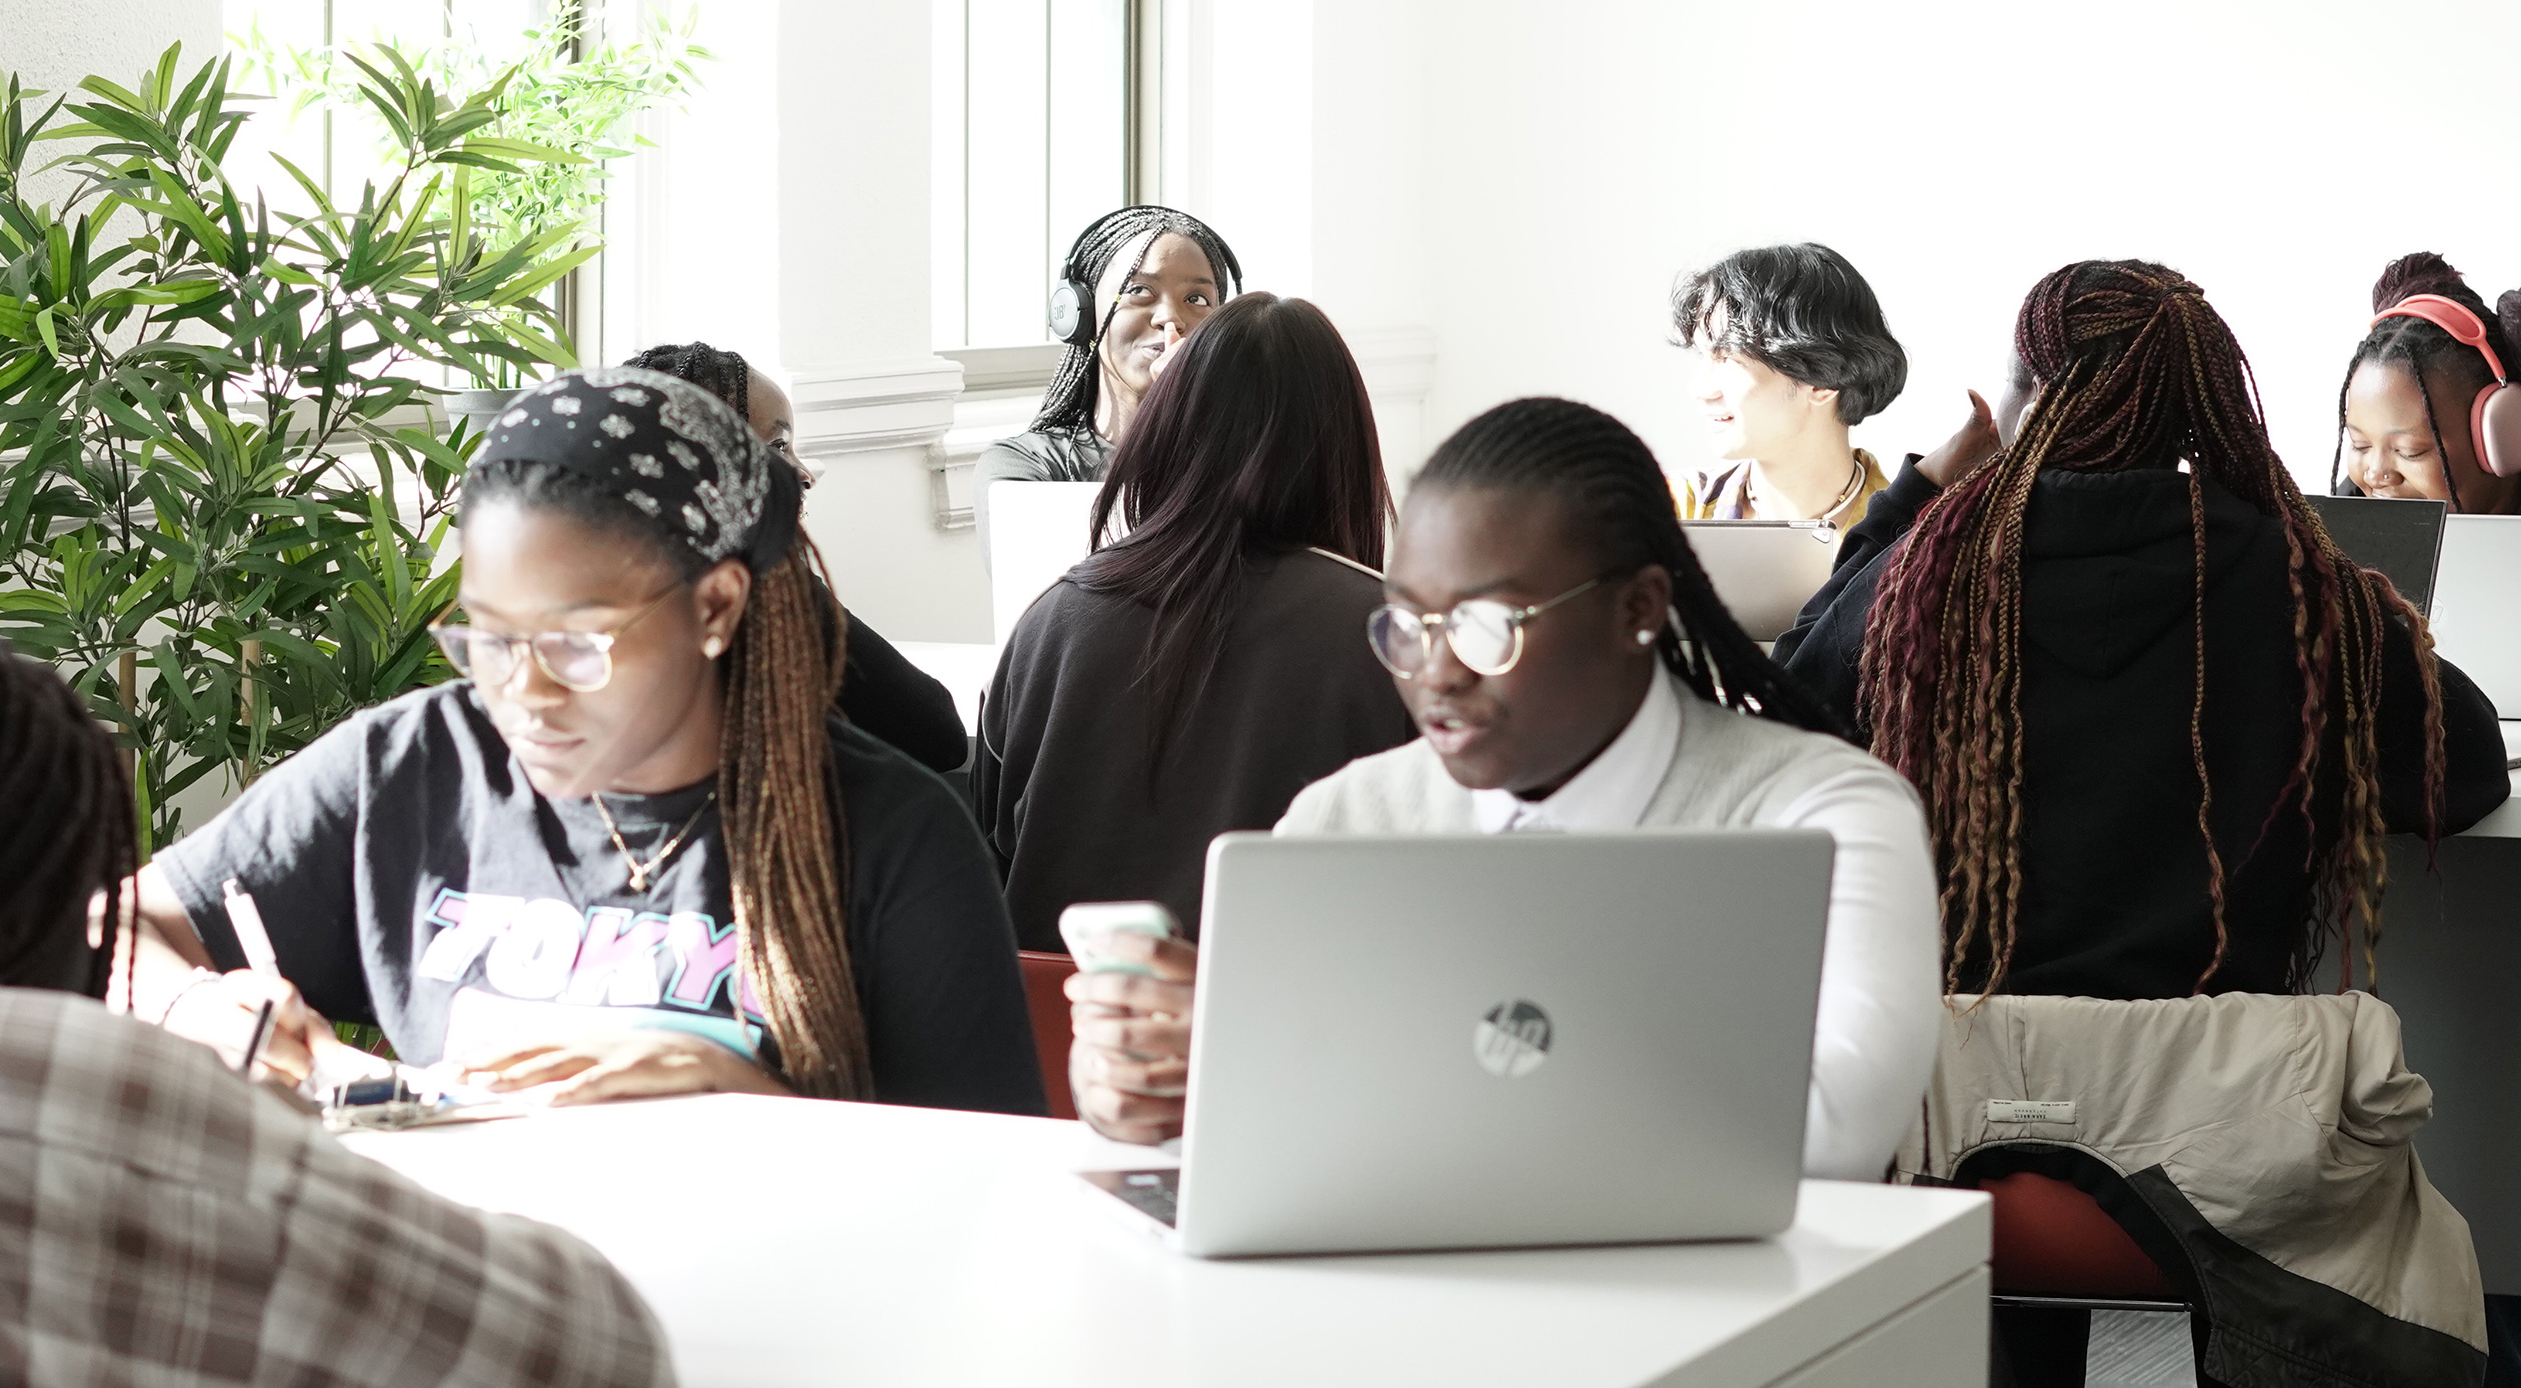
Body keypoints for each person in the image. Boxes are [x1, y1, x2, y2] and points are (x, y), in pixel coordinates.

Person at [1066, 397, 1942, 1183]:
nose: (1436, 672)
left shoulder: (1820, 817)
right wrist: (1143, 1083)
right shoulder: (1347, 819)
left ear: (1637, 607)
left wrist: (1334, 1059)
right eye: (1407, 623)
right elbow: (1249, 1137)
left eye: (1489, 626)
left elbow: (1833, 1135)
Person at [128, 366, 1045, 1115]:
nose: (521, 690)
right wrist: (197, 1004)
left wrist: (756, 1105)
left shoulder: (894, 840)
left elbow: (996, 1204)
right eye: (486, 638)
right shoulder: (412, 768)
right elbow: (114, 928)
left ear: (715, 605)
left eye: (576, 642)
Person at [1778, 261, 2510, 1003]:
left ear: (2030, 402)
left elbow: (1787, 717)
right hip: (2212, 1099)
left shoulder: (1927, 577)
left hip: (1962, 1092)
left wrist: (1917, 493)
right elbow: (2469, 766)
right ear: (2195, 404)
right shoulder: (2298, 589)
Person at [0, 639, 673, 1386]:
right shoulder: (62, 1100)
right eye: (485, 637)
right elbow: (602, 1346)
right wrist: (265, 1144)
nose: (524, 684)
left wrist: (191, 1003)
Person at [974, 293, 1414, 953]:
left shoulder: (1051, 619)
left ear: (1164, 435)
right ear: (1345, 450)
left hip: (1057, 1027)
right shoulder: (1389, 633)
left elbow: (992, 849)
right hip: (1288, 1031)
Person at [628, 340, 969, 769]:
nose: (804, 475)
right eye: (777, 447)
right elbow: (936, 734)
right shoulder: (762, 592)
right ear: (704, 465)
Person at [973, 205, 1242, 498]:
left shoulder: (1246, 458)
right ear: (1083, 315)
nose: (1170, 317)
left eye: (1197, 298)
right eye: (1139, 290)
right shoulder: (1025, 466)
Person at [1669, 242, 1906, 531]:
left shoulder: (1913, 541)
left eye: (1728, 358)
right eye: (1704, 355)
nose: (1700, 389)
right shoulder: (1667, 513)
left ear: (1822, 380)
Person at [2332, 253, 2521, 515]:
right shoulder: (2336, 530)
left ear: (2508, 436)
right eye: (2359, 444)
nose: (2375, 474)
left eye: (2409, 452)